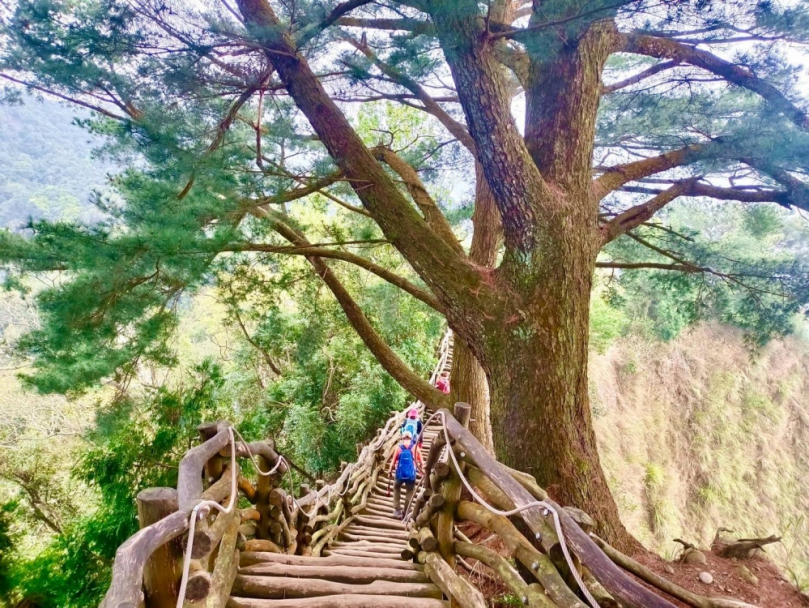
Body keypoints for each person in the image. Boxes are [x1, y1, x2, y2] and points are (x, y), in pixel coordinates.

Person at [388, 430, 423, 519]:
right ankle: (406, 511)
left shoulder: (398, 447)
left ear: (402, 438)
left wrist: (389, 471)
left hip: (399, 474)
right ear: (411, 439)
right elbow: (422, 462)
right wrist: (421, 472)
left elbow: (393, 462)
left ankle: (397, 510)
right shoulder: (415, 448)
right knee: (410, 491)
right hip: (411, 475)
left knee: (396, 488)